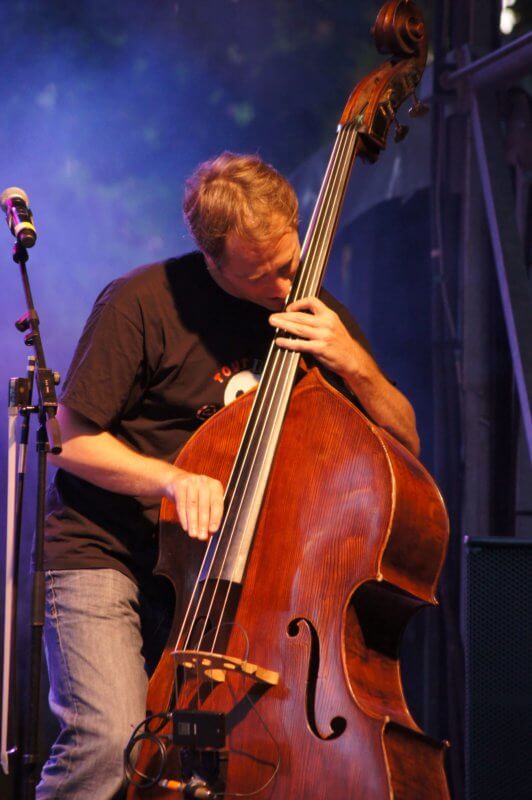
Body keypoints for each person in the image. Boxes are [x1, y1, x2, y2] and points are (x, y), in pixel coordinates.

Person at [36, 152, 419, 799]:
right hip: (109, 555)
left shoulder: (309, 306)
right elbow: (69, 442)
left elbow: (404, 442)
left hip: (225, 575)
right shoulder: (139, 303)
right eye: (262, 274)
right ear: (212, 260)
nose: (286, 284)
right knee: (109, 744)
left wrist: (354, 363)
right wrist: (170, 480)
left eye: (290, 262)